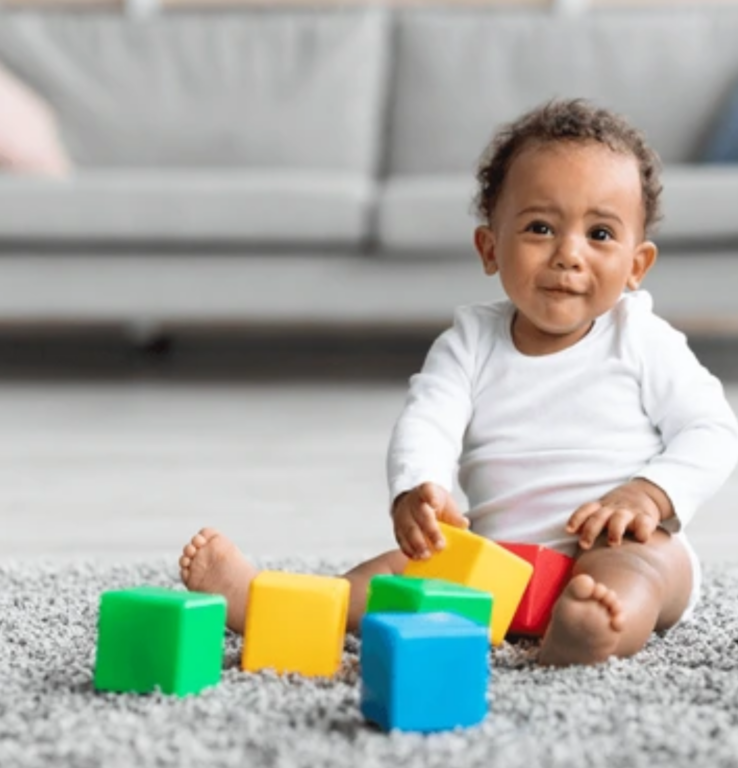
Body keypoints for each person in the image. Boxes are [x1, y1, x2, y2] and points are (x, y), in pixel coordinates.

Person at [178, 99, 738, 667]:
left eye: (599, 234)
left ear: (637, 265)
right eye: (540, 227)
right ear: (490, 248)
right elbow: (428, 421)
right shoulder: (469, 341)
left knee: (640, 573)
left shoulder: (641, 338)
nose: (569, 254)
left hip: (618, 544)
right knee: (397, 573)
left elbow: (713, 429)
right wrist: (418, 489)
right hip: (498, 564)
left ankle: (589, 634)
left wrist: (649, 494)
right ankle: (272, 602)